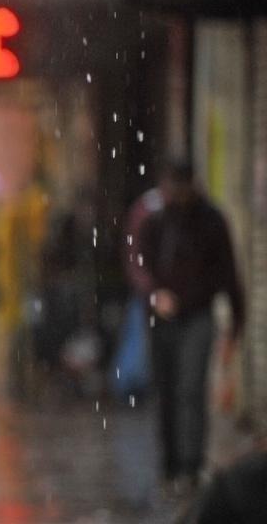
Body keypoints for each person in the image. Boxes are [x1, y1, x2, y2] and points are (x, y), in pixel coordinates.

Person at [129, 159, 244, 491]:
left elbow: (228, 272)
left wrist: (236, 324)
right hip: (161, 317)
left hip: (198, 315)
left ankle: (190, 469)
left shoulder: (210, 219)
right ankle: (170, 466)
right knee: (166, 390)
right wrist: (154, 294)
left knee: (191, 390)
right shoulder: (151, 215)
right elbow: (137, 263)